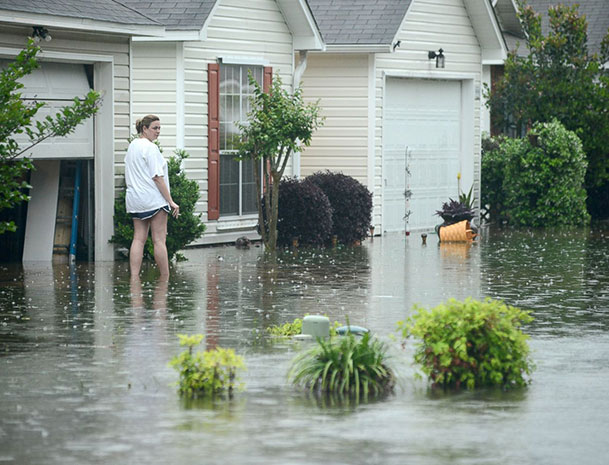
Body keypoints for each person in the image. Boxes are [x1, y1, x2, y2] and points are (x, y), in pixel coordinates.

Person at [125, 115, 179, 279]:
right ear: (145, 129)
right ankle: (165, 278)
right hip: (153, 200)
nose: (158, 132)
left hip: (135, 199)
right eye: (155, 128)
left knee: (138, 239)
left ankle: (134, 279)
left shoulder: (132, 146)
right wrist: (170, 202)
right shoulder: (150, 148)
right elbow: (157, 177)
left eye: (159, 128)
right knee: (159, 240)